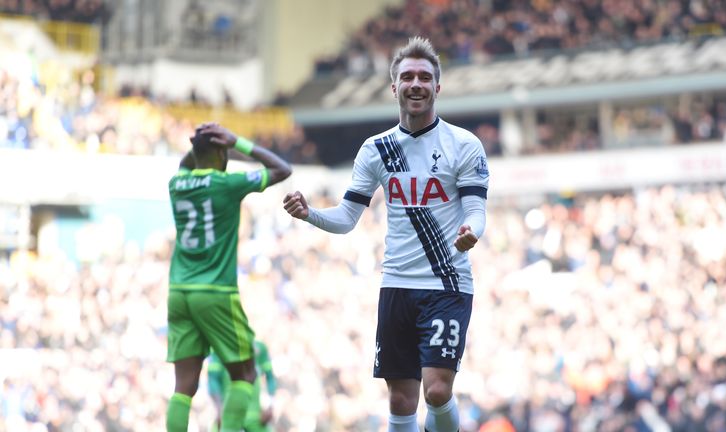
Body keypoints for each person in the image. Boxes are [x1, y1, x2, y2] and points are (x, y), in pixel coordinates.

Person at [283, 36, 489, 432]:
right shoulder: (376, 150)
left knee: (438, 392)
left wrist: (470, 231)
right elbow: (346, 218)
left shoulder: (463, 145)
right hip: (396, 283)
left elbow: (476, 211)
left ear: (437, 88)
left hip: (447, 284)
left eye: (425, 77)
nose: (416, 84)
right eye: (408, 76)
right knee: (400, 399)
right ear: (394, 87)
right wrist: (310, 214)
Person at [165, 123, 292, 432]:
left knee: (183, 386)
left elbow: (187, 163)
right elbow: (282, 168)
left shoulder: (176, 183)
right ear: (223, 153)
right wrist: (239, 142)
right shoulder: (227, 183)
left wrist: (201, 145)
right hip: (215, 291)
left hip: (179, 290)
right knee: (246, 374)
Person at [208, 339, 278, 432]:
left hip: (255, 417)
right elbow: (213, 379)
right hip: (228, 415)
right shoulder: (220, 348)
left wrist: (270, 406)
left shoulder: (260, 348)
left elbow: (270, 377)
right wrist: (219, 409)